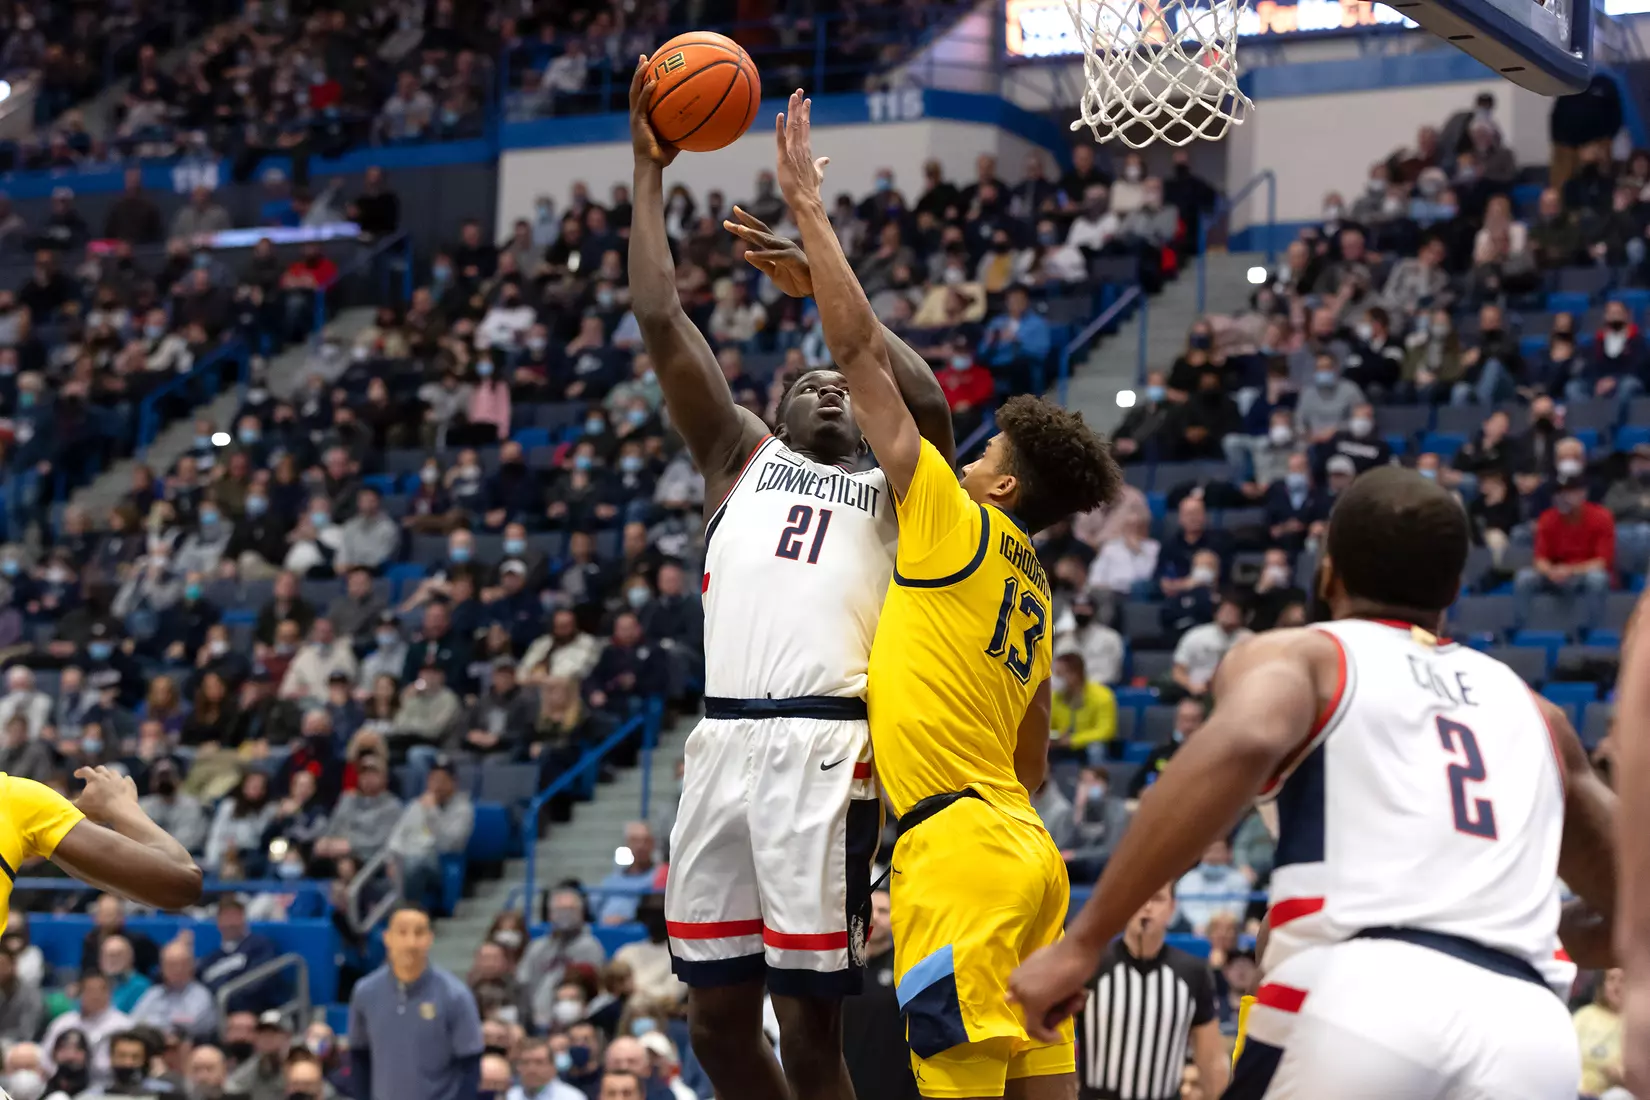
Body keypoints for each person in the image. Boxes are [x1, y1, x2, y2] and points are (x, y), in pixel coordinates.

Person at [1009, 466, 1620, 1098]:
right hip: (1529, 1031)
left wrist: (1084, 941)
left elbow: (1244, 739)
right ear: (1454, 591)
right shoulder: (1537, 713)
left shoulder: (1302, 655)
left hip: (1363, 998)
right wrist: (1496, 936)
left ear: (1327, 575)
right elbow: (1632, 912)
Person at [775, 91, 1121, 1099]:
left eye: (983, 458)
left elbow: (859, 361)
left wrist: (810, 211)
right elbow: (1036, 757)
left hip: (957, 850)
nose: (960, 464)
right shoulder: (1038, 588)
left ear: (1002, 486)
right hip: (1031, 855)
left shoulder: (954, 522)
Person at [629, 59, 953, 1100]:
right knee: (717, 1024)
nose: (826, 384)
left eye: (840, 383)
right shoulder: (739, 458)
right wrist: (647, 173)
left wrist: (823, 282)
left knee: (812, 1032)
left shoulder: (900, 490)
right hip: (722, 742)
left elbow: (929, 401)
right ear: (773, 406)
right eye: (804, 379)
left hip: (826, 747)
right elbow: (660, 318)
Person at [1074, 884, 1228, 1099]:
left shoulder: (1193, 973)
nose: (1147, 907)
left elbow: (1210, 1061)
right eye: (1139, 898)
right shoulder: (1092, 966)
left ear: (1172, 908)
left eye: (1157, 899)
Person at [348, 902, 483, 1100]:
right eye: (402, 932)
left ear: (429, 939)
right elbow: (360, 1055)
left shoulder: (455, 995)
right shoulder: (365, 992)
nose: (410, 942)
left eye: (419, 933)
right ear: (387, 938)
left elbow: (470, 1065)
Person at [1574, 968, 1624, 1099]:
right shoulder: (1585, 1016)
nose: (1617, 986)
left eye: (1623, 980)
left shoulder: (1637, 1025)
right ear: (1602, 984)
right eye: (1611, 979)